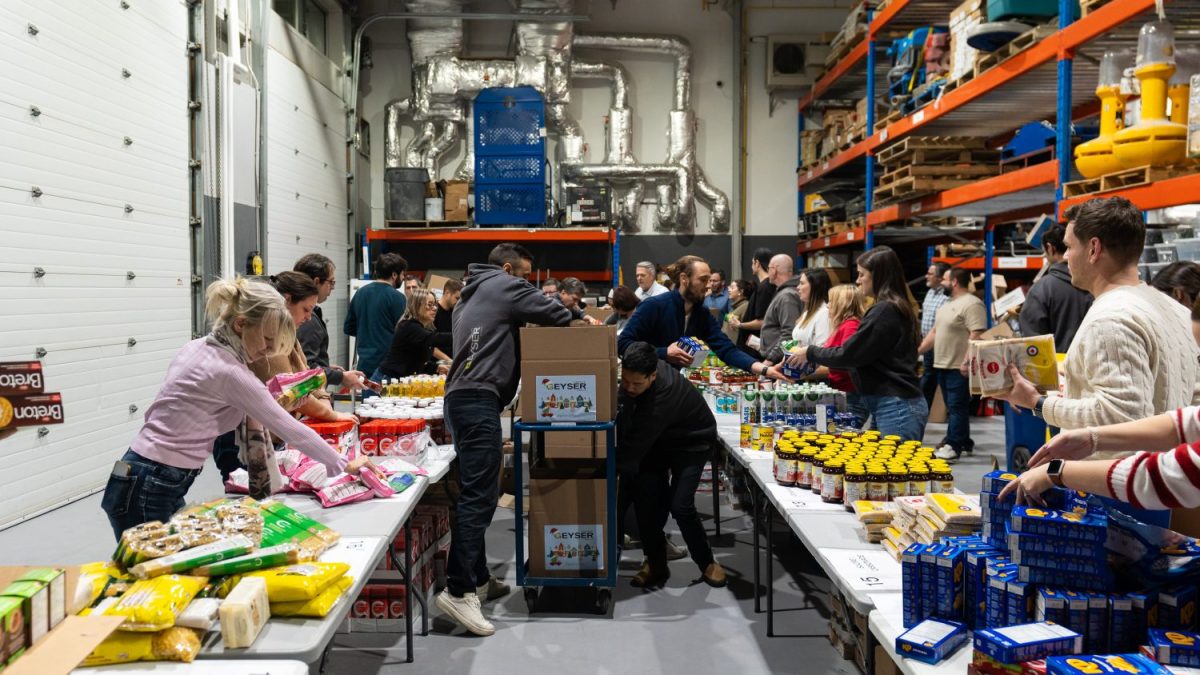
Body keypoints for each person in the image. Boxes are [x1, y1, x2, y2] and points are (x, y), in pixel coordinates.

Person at [101, 278, 347, 539]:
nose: (269, 350)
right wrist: (341, 464)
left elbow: (200, 403)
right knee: (151, 572)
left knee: (164, 566)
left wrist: (273, 395)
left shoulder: (196, 348)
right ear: (240, 323)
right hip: (153, 481)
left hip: (144, 471)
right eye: (266, 339)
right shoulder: (230, 371)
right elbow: (291, 430)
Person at [434, 243, 574, 637]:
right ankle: (459, 590)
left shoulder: (471, 290)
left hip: (460, 398)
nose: (527, 284)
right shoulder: (503, 284)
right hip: (478, 399)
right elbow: (558, 314)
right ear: (510, 268)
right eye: (525, 275)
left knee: (474, 491)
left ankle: (478, 578)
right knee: (481, 495)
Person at [995, 197, 1200, 457]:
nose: (1066, 256)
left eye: (1069, 247)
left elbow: (1121, 415)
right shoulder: (1178, 311)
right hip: (1161, 480)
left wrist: (1038, 403)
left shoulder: (1112, 319)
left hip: (1117, 488)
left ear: (1093, 249)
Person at [780, 246, 928, 441]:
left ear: (878, 275)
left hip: (896, 405)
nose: (858, 280)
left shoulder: (884, 310)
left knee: (895, 468)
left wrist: (810, 352)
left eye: (861, 274)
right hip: (889, 403)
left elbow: (850, 355)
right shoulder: (892, 307)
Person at [617, 341, 726, 589]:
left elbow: (633, 448)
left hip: (692, 443)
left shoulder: (662, 397)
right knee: (646, 499)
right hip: (660, 439)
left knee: (680, 505)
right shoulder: (641, 371)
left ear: (653, 376)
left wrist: (603, 469)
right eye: (625, 381)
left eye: (637, 384)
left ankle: (707, 562)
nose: (629, 388)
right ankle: (656, 564)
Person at [998, 405, 1200, 510]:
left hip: (1122, 492)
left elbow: (1161, 477)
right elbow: (1186, 423)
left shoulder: (1110, 327)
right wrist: (1093, 438)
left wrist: (1055, 471)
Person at [618, 255, 772, 378]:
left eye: (710, 280)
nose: (709, 285)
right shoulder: (654, 306)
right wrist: (664, 353)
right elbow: (623, 344)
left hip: (673, 387)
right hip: (643, 387)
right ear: (684, 279)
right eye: (703, 279)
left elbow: (727, 349)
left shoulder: (701, 315)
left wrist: (765, 370)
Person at [918, 267, 986, 461]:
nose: (942, 283)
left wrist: (966, 361)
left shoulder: (972, 304)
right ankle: (964, 441)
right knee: (953, 406)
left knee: (957, 407)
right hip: (942, 365)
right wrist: (917, 352)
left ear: (955, 281)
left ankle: (953, 446)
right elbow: (934, 333)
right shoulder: (947, 304)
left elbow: (977, 333)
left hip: (959, 366)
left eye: (945, 279)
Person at [293, 254, 366, 392]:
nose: (332, 288)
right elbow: (307, 369)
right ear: (316, 282)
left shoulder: (311, 316)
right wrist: (340, 377)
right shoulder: (308, 321)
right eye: (331, 282)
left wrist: (327, 367)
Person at [1019, 223, 1092, 351]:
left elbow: (1033, 345)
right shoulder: (1095, 283)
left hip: (1057, 368)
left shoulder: (1042, 289)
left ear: (1050, 248)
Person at [344, 253, 408, 380]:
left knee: (367, 399)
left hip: (364, 365)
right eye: (402, 274)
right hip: (388, 367)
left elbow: (348, 328)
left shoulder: (360, 293)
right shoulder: (397, 297)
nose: (403, 278)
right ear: (394, 275)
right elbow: (404, 333)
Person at [815, 284, 867, 420]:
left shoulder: (851, 326)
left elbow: (847, 358)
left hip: (851, 396)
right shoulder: (844, 326)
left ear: (841, 304)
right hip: (844, 393)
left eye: (831, 301)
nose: (828, 306)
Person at [377, 288, 454, 380]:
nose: (435, 308)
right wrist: (461, 335)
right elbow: (433, 339)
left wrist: (436, 368)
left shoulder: (420, 328)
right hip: (386, 379)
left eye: (435, 305)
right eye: (429, 305)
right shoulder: (409, 326)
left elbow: (414, 361)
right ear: (417, 306)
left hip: (398, 380)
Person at [729, 248, 775, 357]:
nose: (751, 266)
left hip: (754, 350)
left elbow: (761, 322)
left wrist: (739, 324)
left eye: (752, 262)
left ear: (757, 263)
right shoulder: (768, 286)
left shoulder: (764, 287)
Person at [759, 255, 804, 364]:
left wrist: (770, 359)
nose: (768, 272)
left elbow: (789, 334)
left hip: (778, 362)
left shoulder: (787, 296)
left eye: (768, 268)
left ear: (774, 270)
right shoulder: (785, 293)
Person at [919, 262, 950, 406]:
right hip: (928, 345)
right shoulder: (930, 293)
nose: (927, 276)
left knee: (936, 380)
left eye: (930, 274)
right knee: (928, 379)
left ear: (939, 278)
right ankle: (923, 412)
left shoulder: (946, 297)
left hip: (941, 347)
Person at [784, 268, 833, 360]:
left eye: (802, 283)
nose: (798, 287)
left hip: (812, 372)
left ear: (815, 286)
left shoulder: (824, 313)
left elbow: (823, 351)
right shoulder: (807, 313)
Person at [434, 278, 463, 355]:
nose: (459, 302)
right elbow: (429, 345)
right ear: (447, 293)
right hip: (438, 363)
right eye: (457, 298)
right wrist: (449, 361)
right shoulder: (433, 312)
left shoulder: (455, 312)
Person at [722, 277, 755, 344]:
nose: (729, 290)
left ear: (741, 292)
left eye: (732, 288)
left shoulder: (746, 306)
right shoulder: (734, 307)